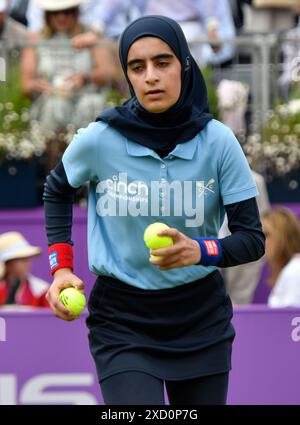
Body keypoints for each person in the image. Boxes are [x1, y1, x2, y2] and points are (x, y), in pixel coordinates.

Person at [44, 16, 265, 405]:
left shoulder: (218, 142)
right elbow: (57, 187)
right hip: (122, 321)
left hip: (202, 320)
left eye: (162, 63)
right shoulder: (100, 138)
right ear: (127, 75)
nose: (150, 76)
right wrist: (61, 266)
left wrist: (201, 250)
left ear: (183, 64)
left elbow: (252, 240)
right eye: (137, 66)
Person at [261, 208, 300, 308]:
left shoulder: (295, 270)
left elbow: (290, 319)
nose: (261, 241)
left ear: (283, 238)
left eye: (266, 234)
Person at [0, 232, 49, 307]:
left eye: (27, 258)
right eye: (21, 258)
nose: (27, 262)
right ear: (7, 263)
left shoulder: (42, 290)